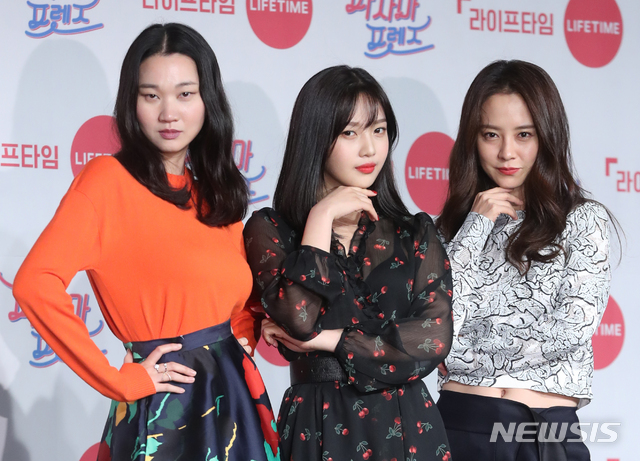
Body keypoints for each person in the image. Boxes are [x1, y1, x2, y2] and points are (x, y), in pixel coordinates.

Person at [13, 23, 279, 461]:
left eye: (185, 94)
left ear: (208, 101)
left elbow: (235, 301)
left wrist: (244, 333)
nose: (168, 113)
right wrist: (119, 380)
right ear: (131, 103)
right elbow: (34, 283)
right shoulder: (106, 181)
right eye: (151, 95)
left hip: (234, 398)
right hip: (165, 408)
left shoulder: (216, 195)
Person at [243, 65, 453, 461]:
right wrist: (321, 216)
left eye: (379, 130)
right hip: (318, 425)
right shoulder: (271, 229)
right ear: (315, 138)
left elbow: (433, 339)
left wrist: (328, 340)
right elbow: (299, 318)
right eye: (350, 133)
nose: (370, 149)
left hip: (407, 426)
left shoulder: (414, 233)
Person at [436, 59, 615, 461]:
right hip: (458, 424)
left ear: (547, 136)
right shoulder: (449, 231)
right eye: (490, 135)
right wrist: (475, 227)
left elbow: (572, 326)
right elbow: (436, 324)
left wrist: (462, 354)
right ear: (472, 138)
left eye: (524, 134)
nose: (507, 152)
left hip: (545, 429)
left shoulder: (583, 220)